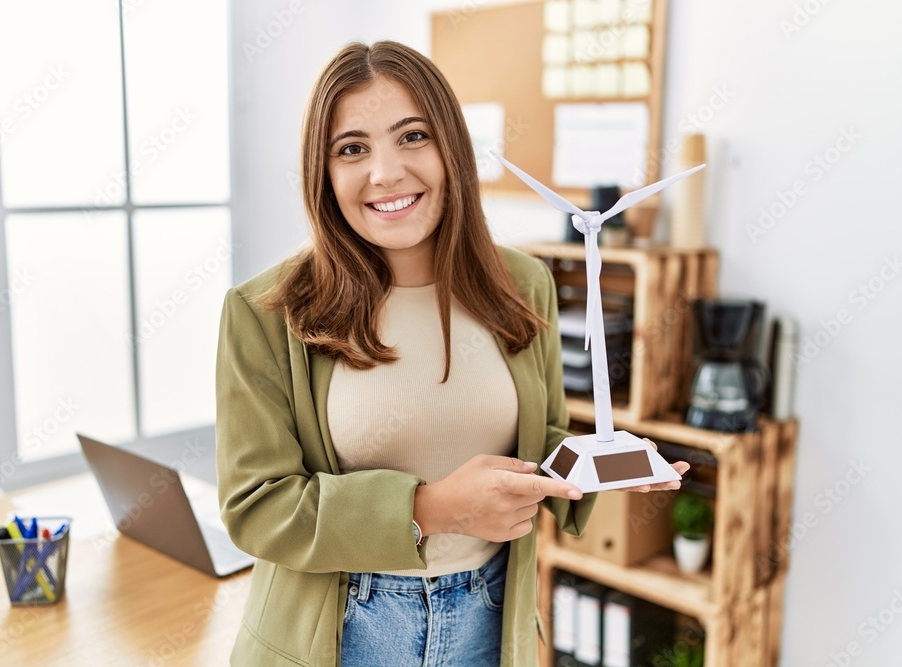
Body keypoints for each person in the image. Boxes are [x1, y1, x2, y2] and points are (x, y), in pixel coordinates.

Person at [215, 40, 688, 667]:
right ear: (323, 172)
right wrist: (430, 509)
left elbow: (540, 438)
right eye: (352, 148)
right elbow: (259, 507)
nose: (385, 172)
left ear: (451, 149)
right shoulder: (267, 312)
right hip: (342, 628)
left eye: (412, 137)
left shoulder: (524, 284)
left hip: (490, 621)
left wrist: (598, 462)